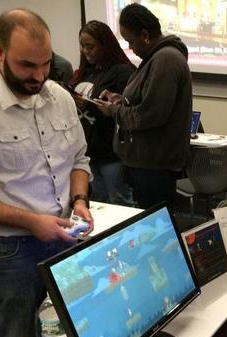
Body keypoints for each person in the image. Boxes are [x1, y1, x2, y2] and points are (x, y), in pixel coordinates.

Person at [0, 8, 93, 337]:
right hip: (6, 250)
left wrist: (79, 201)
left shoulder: (58, 97)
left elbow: (79, 160)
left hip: (62, 237)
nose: (39, 76)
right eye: (27, 65)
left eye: (46, 64)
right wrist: (31, 222)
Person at [97, 3, 192, 209]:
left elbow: (151, 114)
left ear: (145, 35)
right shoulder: (156, 58)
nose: (130, 48)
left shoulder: (165, 59)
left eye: (131, 41)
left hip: (155, 164)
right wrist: (120, 100)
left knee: (156, 222)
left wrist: (113, 111)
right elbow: (147, 100)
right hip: (147, 161)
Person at [70, 20, 135, 206]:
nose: (85, 51)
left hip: (112, 153)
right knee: (99, 202)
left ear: (104, 45)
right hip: (89, 151)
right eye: (82, 46)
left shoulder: (122, 71)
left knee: (120, 201)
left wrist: (94, 106)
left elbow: (129, 111)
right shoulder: (85, 72)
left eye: (90, 46)